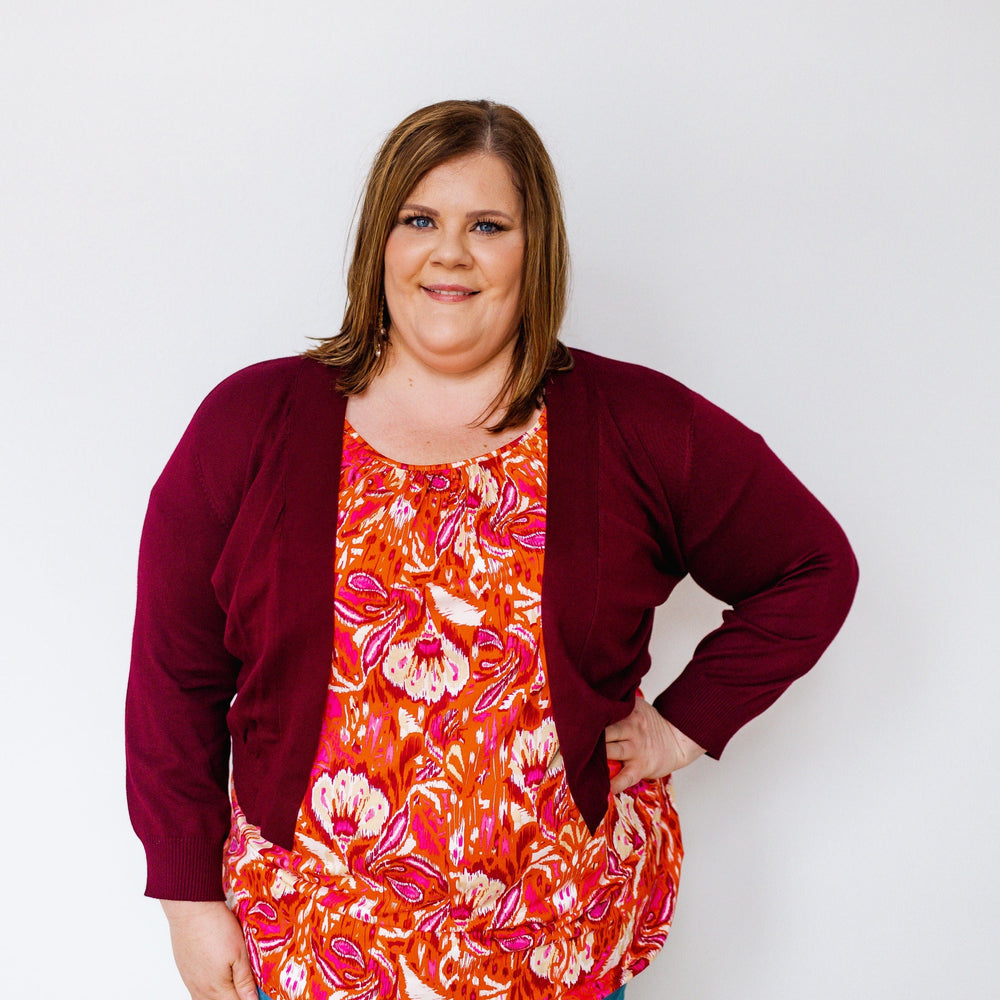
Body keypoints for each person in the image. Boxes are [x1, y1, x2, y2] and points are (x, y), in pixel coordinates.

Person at [126, 99, 858, 1000]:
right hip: (312, 951)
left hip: (555, 950)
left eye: (489, 225)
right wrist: (188, 898)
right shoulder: (251, 422)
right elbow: (175, 673)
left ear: (533, 248)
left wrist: (683, 726)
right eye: (420, 219)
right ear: (380, 241)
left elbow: (813, 567)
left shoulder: (635, 424)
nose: (451, 253)